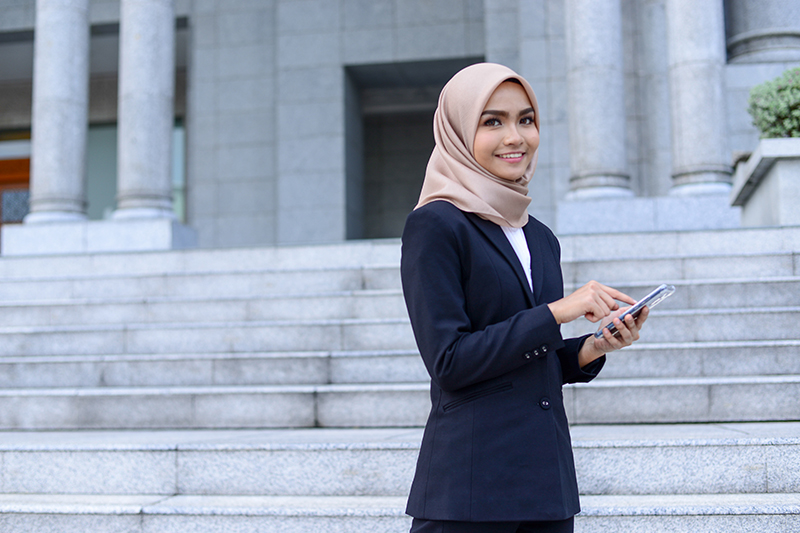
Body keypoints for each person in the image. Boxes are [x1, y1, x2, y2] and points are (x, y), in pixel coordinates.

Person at [400, 62, 649, 533]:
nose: (515, 136)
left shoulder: (540, 237)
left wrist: (594, 346)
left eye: (526, 119)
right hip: (470, 491)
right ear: (456, 131)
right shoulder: (436, 225)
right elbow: (450, 361)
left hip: (546, 489)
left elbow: (534, 359)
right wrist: (557, 311)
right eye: (492, 121)